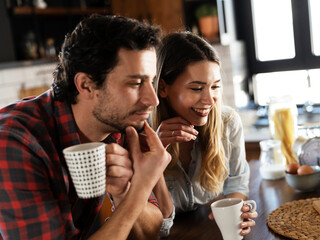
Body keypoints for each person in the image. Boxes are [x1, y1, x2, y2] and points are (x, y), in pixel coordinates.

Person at [0, 14, 171, 240]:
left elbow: (151, 231)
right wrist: (141, 188)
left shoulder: (119, 126)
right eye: (135, 83)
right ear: (86, 85)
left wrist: (124, 193)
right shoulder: (15, 142)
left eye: (152, 81)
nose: (153, 99)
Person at [152, 32, 258, 237]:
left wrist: (237, 211)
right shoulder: (141, 135)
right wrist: (154, 157)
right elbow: (157, 223)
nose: (210, 100)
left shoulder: (228, 122)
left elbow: (236, 181)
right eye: (197, 88)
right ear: (163, 87)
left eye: (215, 86)